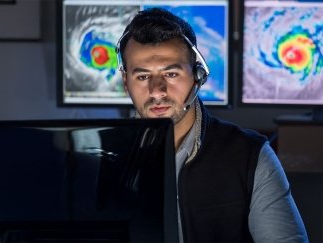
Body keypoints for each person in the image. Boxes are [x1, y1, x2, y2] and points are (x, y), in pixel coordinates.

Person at [116, 7, 308, 242]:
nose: (157, 91)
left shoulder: (249, 156)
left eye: (171, 74)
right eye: (143, 76)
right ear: (126, 82)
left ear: (198, 75)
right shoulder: (103, 159)